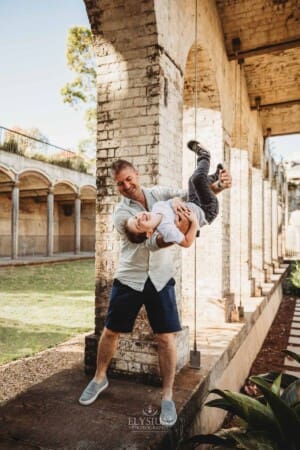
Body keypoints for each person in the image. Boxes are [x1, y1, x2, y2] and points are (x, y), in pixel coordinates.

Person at [79, 145, 232, 427]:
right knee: (111, 331)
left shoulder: (160, 194)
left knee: (166, 338)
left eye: (129, 179)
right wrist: (170, 234)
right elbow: (142, 238)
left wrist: (218, 187)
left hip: (161, 278)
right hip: (130, 277)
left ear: (137, 174)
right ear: (116, 187)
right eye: (120, 184)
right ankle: (99, 378)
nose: (126, 186)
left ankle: (167, 396)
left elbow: (193, 200)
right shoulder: (121, 213)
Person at [125, 140, 222, 247]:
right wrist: (194, 223)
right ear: (149, 232)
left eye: (135, 217)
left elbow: (175, 202)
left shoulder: (157, 206)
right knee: (197, 179)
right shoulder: (166, 230)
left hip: (194, 202)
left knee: (191, 181)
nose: (139, 219)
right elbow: (186, 243)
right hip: (207, 211)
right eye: (138, 225)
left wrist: (176, 200)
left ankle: (217, 176)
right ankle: (205, 156)